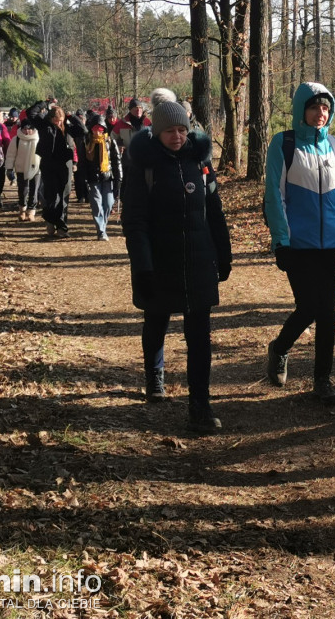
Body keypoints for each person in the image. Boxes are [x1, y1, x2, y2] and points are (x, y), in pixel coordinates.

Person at [121, 92, 232, 434]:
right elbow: (135, 220)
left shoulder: (200, 162)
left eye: (182, 130)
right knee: (156, 321)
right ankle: (155, 376)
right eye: (170, 131)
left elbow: (213, 209)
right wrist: (143, 267)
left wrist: (223, 252)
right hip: (160, 262)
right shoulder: (144, 165)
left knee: (200, 337)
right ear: (157, 132)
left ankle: (200, 405)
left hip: (198, 261)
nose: (178, 136)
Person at [263, 81, 335, 407]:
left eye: (326, 108)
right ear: (301, 108)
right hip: (299, 244)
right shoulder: (284, 143)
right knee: (309, 308)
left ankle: (323, 380)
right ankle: (279, 348)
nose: (321, 113)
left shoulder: (334, 146)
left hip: (330, 243)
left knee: (327, 312)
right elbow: (274, 197)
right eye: (315, 106)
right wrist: (281, 242)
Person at [36, 104, 77, 237]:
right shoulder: (45, 127)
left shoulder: (68, 129)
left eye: (61, 119)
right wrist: (42, 105)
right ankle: (50, 218)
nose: (59, 122)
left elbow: (83, 131)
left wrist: (71, 116)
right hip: (49, 165)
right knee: (53, 197)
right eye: (56, 119)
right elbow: (31, 113)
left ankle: (62, 227)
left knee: (64, 197)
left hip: (65, 166)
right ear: (51, 118)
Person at [83, 111, 121, 240]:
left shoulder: (110, 142)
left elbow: (117, 162)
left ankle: (102, 226)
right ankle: (101, 231)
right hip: (93, 179)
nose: (97, 131)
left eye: (100, 128)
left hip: (107, 178)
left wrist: (119, 179)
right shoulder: (87, 143)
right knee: (96, 204)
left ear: (103, 129)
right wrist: (83, 179)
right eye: (95, 128)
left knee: (109, 203)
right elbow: (83, 163)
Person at [5, 108, 41, 221]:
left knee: (34, 190)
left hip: (36, 169)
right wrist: (9, 168)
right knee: (23, 190)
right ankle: (22, 209)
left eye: (29, 129)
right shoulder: (16, 139)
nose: (26, 131)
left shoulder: (38, 139)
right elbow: (11, 155)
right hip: (21, 168)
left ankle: (31, 211)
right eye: (24, 129)